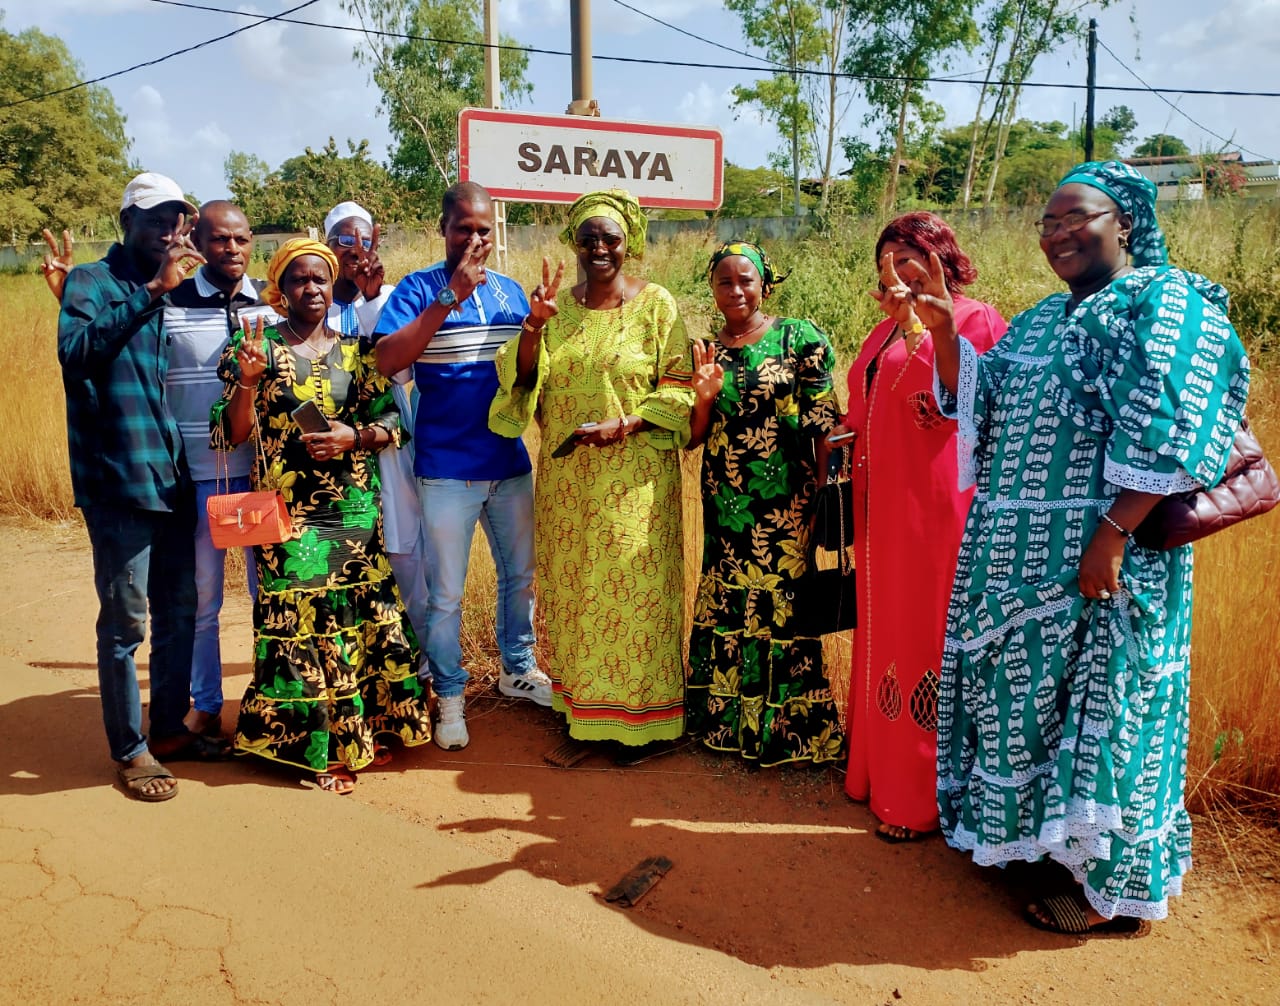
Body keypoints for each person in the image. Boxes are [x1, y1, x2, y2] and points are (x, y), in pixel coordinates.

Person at [912, 161, 1250, 933]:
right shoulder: (1039, 318)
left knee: (1110, 706)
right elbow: (984, 404)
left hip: (1104, 561)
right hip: (1023, 564)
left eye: (1077, 217)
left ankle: (1109, 893)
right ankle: (1043, 851)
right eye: (1048, 223)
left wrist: (1111, 535)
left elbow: (1175, 426)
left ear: (1125, 220)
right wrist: (943, 335)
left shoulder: (1162, 301)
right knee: (1033, 708)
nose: (1059, 233)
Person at [213, 238, 431, 794]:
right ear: (280, 290)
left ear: (333, 286)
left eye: (320, 279)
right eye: (298, 280)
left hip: (353, 509)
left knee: (359, 615)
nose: (311, 288)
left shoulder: (358, 352)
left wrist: (351, 436)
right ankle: (314, 750)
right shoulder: (254, 344)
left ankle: (365, 734)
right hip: (287, 512)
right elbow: (229, 433)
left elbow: (394, 426)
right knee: (300, 618)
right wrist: (248, 380)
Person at [489, 188, 694, 762]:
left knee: (637, 595)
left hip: (638, 481)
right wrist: (532, 327)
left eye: (611, 238)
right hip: (570, 484)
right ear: (572, 243)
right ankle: (585, 716)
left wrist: (626, 424)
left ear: (630, 242)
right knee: (577, 594)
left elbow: (679, 386)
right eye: (588, 238)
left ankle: (640, 724)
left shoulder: (658, 305)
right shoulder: (558, 308)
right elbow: (522, 382)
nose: (599, 248)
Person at [833, 214, 1006, 841]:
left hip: (937, 514)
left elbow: (984, 410)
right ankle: (876, 774)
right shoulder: (882, 332)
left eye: (908, 255)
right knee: (884, 634)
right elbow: (864, 406)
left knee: (927, 641)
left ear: (939, 257)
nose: (895, 269)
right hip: (881, 511)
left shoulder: (976, 320)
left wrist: (938, 332)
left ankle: (921, 798)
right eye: (886, 258)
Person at [374, 182, 551, 751]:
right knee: (445, 593)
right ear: (443, 229)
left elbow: (526, 377)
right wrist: (449, 296)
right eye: (463, 228)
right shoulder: (416, 289)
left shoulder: (509, 292)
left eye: (483, 230)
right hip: (446, 470)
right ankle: (450, 691)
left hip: (508, 464)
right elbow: (387, 361)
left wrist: (535, 329)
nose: (474, 239)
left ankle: (516, 667)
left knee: (519, 576)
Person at [57, 171, 205, 801]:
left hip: (169, 472)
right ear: (127, 223)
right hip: (119, 477)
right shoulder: (91, 281)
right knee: (125, 621)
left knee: (180, 610)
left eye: (177, 222)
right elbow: (77, 354)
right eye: (156, 221)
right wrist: (152, 289)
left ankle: (169, 728)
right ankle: (131, 749)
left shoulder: (172, 289)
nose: (169, 233)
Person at [685, 241, 845, 766]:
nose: (736, 290)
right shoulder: (706, 351)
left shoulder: (798, 337)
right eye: (724, 282)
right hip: (726, 502)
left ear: (765, 285)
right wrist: (704, 396)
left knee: (784, 606)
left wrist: (825, 497)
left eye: (745, 280)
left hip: (786, 504)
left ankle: (787, 731)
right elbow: (693, 438)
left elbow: (826, 425)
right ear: (712, 289)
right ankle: (731, 726)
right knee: (732, 599)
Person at [166, 200, 276, 740]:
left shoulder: (272, 306)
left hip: (259, 477)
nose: (231, 249)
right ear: (198, 242)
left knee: (268, 593)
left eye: (240, 239)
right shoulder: (173, 304)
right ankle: (206, 702)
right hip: (201, 477)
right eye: (218, 240)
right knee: (204, 598)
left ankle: (266, 698)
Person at [322, 202, 430, 687]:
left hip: (384, 439)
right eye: (344, 240)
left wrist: (369, 303)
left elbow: (401, 372)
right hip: (328, 445)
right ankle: (356, 672)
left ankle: (423, 666)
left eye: (364, 240)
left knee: (404, 547)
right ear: (326, 243)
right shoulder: (309, 294)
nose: (355, 251)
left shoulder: (391, 298)